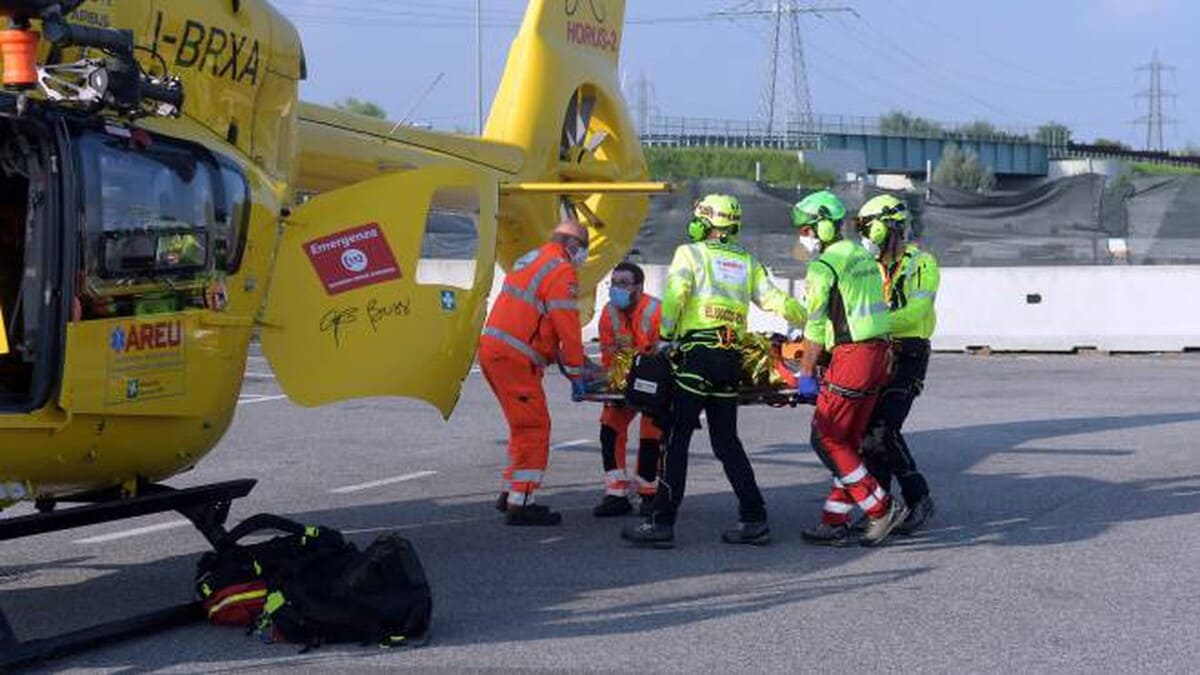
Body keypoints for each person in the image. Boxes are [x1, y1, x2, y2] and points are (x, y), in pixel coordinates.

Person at [622, 194, 807, 549]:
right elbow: (773, 300)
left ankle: (662, 523)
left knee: (677, 439)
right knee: (726, 442)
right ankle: (755, 519)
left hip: (698, 355)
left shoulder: (689, 254)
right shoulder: (746, 260)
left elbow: (676, 295)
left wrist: (666, 336)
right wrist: (808, 314)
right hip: (730, 359)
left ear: (705, 221)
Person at [791, 190, 908, 547]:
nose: (803, 237)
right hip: (878, 356)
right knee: (848, 442)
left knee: (826, 437)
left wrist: (806, 374)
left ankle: (880, 508)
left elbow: (814, 326)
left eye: (807, 229)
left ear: (823, 226)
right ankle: (833, 521)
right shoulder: (860, 255)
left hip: (852, 359)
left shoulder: (823, 266)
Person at [479, 220, 591, 526]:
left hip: (495, 351)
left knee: (521, 426)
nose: (582, 258)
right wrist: (578, 372)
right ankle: (523, 501)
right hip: (515, 358)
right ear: (573, 246)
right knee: (535, 428)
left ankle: (510, 492)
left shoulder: (532, 258)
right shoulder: (561, 269)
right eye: (583, 250)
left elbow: (536, 320)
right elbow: (566, 324)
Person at [855, 194, 940, 534]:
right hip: (876, 352)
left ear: (889, 226)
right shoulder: (868, 266)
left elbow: (916, 312)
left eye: (868, 226)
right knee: (868, 432)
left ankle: (918, 498)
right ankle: (883, 505)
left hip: (909, 354)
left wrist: (871, 323)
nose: (865, 234)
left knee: (884, 428)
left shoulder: (922, 263)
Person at [594, 261, 663, 517]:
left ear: (639, 287)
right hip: (623, 381)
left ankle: (649, 493)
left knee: (650, 435)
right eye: (613, 283)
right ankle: (616, 493)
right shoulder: (608, 313)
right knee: (610, 429)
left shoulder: (656, 311)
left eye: (623, 284)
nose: (616, 289)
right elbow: (608, 355)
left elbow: (665, 353)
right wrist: (613, 387)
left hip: (653, 382)